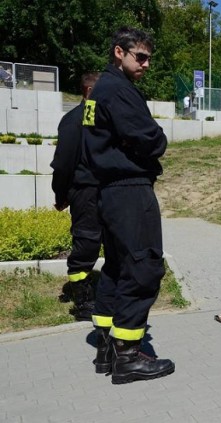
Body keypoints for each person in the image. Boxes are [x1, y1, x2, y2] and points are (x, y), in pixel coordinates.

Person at [82, 27, 174, 384]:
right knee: (143, 266)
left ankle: (106, 347)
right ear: (119, 52)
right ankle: (128, 355)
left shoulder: (99, 89)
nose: (147, 64)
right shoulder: (118, 91)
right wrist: (160, 139)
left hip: (109, 190)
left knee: (118, 266)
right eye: (141, 56)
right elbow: (150, 138)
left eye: (149, 57)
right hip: (129, 189)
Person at [50, 72, 102, 322]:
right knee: (86, 244)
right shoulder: (73, 121)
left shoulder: (105, 119)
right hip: (85, 192)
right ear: (89, 91)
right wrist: (61, 194)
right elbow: (62, 165)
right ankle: (83, 301)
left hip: (108, 193)